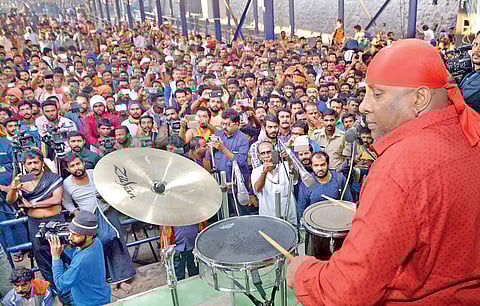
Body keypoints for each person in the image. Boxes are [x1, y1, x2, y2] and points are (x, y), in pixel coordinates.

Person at [288, 39, 480, 304]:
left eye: (377, 94)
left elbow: (346, 292)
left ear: (419, 99)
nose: (365, 106)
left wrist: (303, 273)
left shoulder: (399, 168)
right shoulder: (471, 130)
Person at [62, 153, 136, 293]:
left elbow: (111, 187)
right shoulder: (66, 184)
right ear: (67, 169)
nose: (77, 168)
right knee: (99, 245)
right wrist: (76, 212)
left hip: (107, 212)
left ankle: (123, 279)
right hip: (89, 219)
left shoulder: (94, 173)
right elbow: (66, 202)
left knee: (116, 242)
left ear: (83, 163)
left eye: (78, 164)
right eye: (72, 166)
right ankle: (109, 279)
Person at [6, 149, 71, 304]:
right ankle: (57, 292)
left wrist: (32, 204)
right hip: (35, 225)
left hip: (56, 221)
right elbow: (10, 200)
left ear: (42, 163)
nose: (33, 166)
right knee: (43, 259)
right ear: (24, 165)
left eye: (36, 162)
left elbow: (56, 200)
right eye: (29, 163)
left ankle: (71, 289)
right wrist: (14, 187)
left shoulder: (53, 178)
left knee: (66, 255)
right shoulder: (21, 181)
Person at [48, 210, 112, 305]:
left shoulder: (82, 261)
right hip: (100, 295)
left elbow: (60, 284)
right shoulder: (96, 242)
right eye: (70, 233)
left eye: (76, 235)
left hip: (89, 303)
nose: (70, 238)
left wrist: (55, 257)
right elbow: (77, 253)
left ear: (89, 236)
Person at [211, 109, 250, 216]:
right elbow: (210, 157)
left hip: (237, 184)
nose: (224, 127)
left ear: (237, 124)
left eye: (227, 124)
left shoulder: (242, 139)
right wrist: (211, 148)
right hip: (221, 183)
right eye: (222, 124)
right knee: (223, 214)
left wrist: (223, 148)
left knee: (241, 213)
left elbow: (240, 161)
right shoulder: (219, 134)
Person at [251, 141, 297, 224]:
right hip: (268, 215)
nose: (266, 156)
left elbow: (295, 177)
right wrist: (264, 173)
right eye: (263, 153)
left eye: (269, 152)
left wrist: (289, 159)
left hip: (288, 213)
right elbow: (257, 189)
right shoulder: (256, 171)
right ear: (259, 156)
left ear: (275, 152)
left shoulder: (285, 165)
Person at [296, 152, 352, 219]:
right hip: (315, 224)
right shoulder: (306, 183)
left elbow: (349, 203)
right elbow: (301, 210)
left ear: (328, 164)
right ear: (311, 166)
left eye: (322, 165)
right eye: (316, 165)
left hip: (336, 221)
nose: (320, 169)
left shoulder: (339, 179)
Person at [459, 32, 480, 112]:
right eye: (476, 44)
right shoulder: (471, 72)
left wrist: (451, 81)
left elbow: (460, 101)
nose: (477, 49)